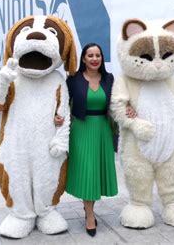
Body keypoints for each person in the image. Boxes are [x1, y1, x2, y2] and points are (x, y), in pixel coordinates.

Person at [55, 42, 136, 237]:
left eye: (97, 55)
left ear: (101, 58)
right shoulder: (73, 80)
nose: (94, 59)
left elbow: (118, 102)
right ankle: (90, 214)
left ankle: (88, 209)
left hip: (102, 130)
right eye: (90, 55)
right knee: (87, 171)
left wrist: (128, 108)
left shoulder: (109, 79)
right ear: (83, 58)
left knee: (96, 171)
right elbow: (63, 104)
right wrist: (58, 116)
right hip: (81, 130)